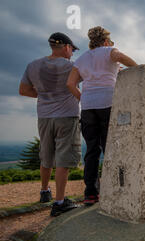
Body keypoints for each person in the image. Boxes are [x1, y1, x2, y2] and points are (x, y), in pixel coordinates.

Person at [67, 26, 138, 205]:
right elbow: (119, 57)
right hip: (108, 103)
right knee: (112, 149)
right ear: (106, 41)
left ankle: (90, 193)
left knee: (92, 150)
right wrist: (138, 69)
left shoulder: (82, 59)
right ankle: (116, 190)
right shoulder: (109, 51)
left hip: (88, 107)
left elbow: (70, 83)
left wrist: (84, 98)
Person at [19, 32, 81, 217]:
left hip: (44, 116)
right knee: (63, 157)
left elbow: (23, 90)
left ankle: (44, 191)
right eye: (72, 49)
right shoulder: (72, 67)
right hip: (67, 117)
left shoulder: (33, 65)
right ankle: (60, 202)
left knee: (46, 154)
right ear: (67, 47)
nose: (72, 53)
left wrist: (45, 94)